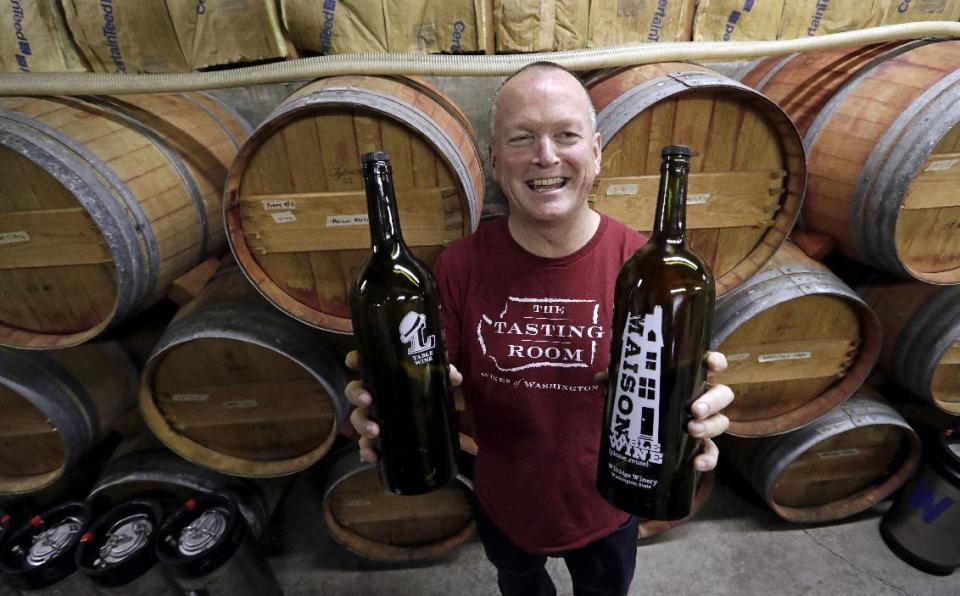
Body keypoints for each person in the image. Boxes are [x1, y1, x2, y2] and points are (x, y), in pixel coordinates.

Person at [346, 62, 735, 596]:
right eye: (522, 138)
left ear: (595, 151)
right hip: (503, 504)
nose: (546, 156)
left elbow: (673, 393)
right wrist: (384, 408)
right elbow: (432, 384)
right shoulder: (457, 267)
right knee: (520, 584)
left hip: (608, 508)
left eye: (566, 135)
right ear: (494, 159)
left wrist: (702, 416)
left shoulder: (644, 271)